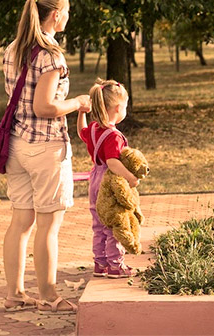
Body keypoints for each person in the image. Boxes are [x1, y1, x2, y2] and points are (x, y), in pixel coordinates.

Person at [2, 0, 91, 313]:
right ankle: (49, 296)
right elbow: (44, 107)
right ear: (56, 15)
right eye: (67, 11)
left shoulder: (13, 49)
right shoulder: (51, 56)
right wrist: (78, 102)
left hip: (15, 146)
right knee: (48, 225)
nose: (68, 17)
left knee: (20, 222)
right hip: (45, 148)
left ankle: (14, 294)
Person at [77, 79, 139, 278]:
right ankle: (115, 265)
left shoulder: (94, 128)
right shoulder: (114, 136)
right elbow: (113, 162)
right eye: (126, 107)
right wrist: (130, 177)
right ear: (119, 108)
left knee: (98, 224)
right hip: (108, 182)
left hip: (94, 178)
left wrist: (81, 114)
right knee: (114, 222)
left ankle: (100, 263)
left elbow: (81, 132)